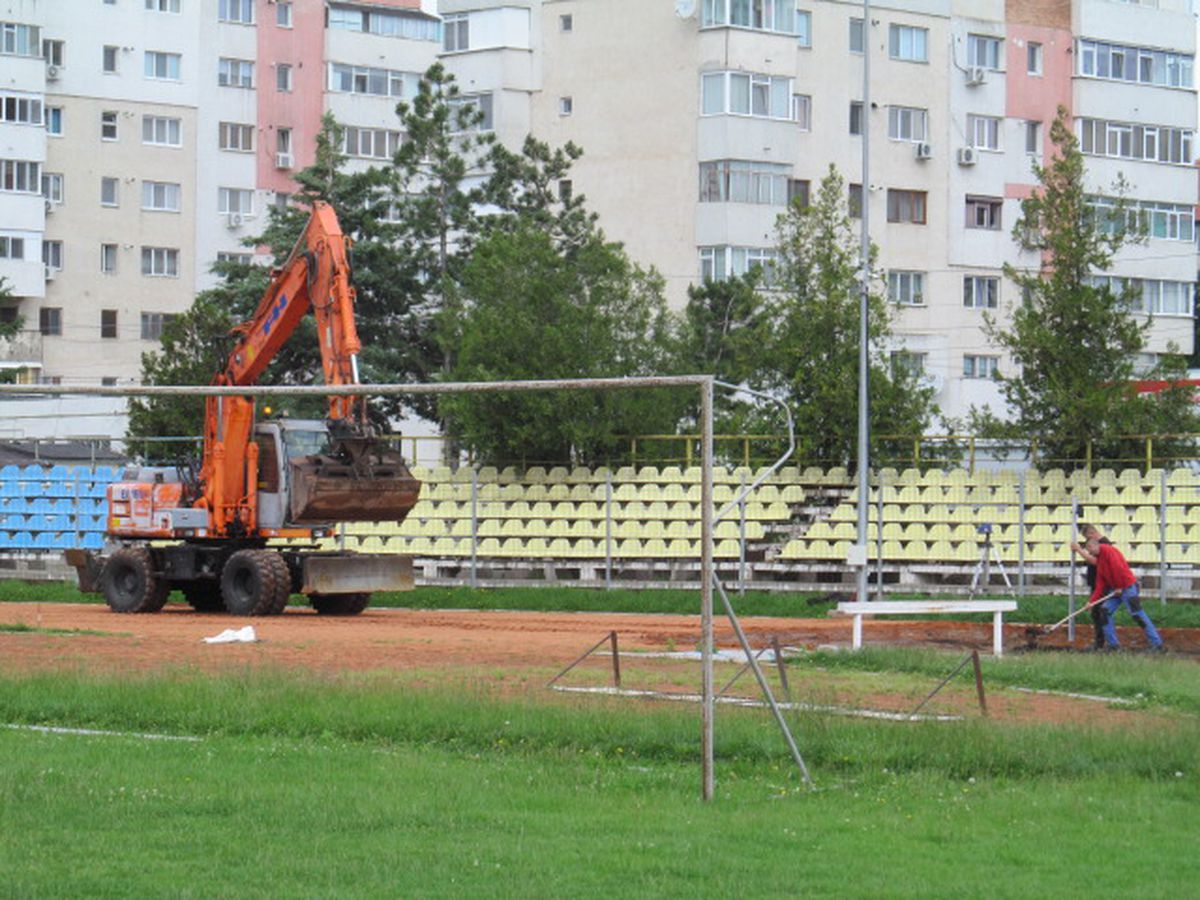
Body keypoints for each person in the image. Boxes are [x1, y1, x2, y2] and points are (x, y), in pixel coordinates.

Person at [1071, 534, 1165, 652]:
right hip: (1116, 590)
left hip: (1127, 586)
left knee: (1137, 614)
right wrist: (1091, 602)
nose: (1089, 553)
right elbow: (1100, 585)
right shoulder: (1100, 561)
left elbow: (1118, 568)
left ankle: (1157, 644)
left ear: (1093, 546)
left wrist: (1120, 587)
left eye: (1089, 550)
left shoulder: (1109, 551)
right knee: (1104, 612)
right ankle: (1113, 645)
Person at [1077, 524, 1111, 651]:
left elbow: (1095, 562)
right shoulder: (1100, 545)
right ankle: (1101, 641)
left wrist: (1079, 551)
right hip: (1097, 583)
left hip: (1102, 584)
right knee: (1097, 613)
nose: (1089, 550)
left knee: (1099, 612)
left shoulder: (1104, 545)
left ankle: (1102, 642)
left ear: (1092, 534)